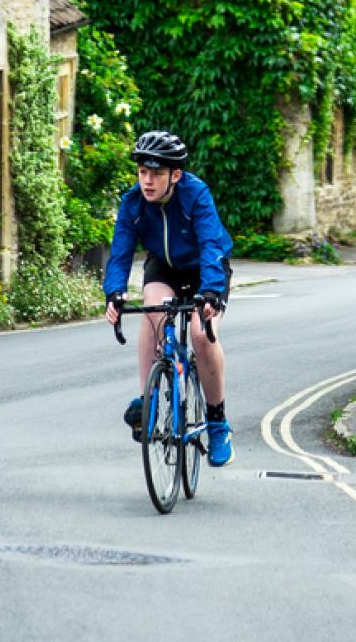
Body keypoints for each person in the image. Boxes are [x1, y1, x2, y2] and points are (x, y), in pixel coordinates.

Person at [104, 129, 235, 467]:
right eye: (143, 172)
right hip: (164, 268)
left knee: (200, 334)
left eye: (157, 174)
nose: (147, 181)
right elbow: (119, 253)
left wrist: (210, 292)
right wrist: (114, 294)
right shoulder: (133, 203)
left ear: (175, 175)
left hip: (207, 270)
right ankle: (149, 403)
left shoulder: (196, 195)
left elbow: (210, 246)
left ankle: (218, 422)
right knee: (154, 313)